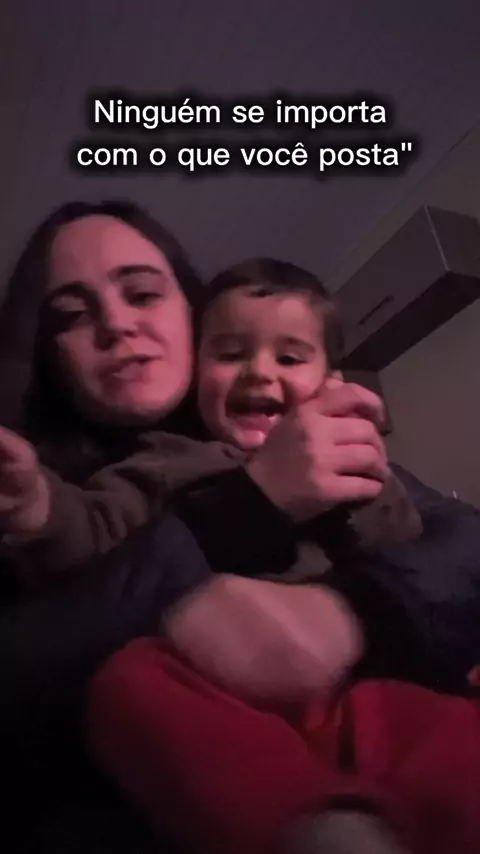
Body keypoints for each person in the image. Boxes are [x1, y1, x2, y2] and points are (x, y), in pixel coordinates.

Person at [85, 258, 480, 854]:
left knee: (449, 735)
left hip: (364, 685)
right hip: (230, 685)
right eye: (230, 353)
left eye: (290, 358)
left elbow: (414, 542)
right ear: (196, 373)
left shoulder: (355, 456)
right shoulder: (168, 458)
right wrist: (40, 507)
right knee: (130, 677)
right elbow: (95, 525)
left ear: (330, 382)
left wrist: (364, 475)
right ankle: (319, 831)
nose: (258, 371)